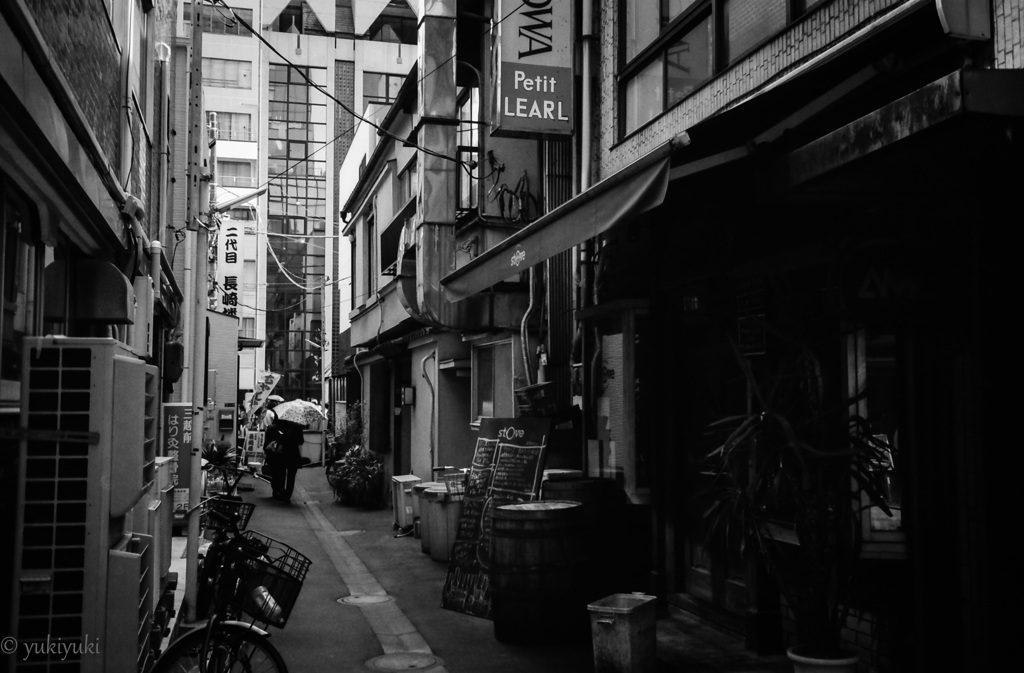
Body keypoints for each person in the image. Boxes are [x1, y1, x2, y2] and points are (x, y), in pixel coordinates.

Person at [263, 417, 304, 502]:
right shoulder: (297, 427)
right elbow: (301, 441)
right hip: (293, 455)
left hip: (279, 455)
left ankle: (279, 491)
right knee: (291, 477)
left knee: (279, 474)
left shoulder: (274, 427)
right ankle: (287, 495)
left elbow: (267, 443)